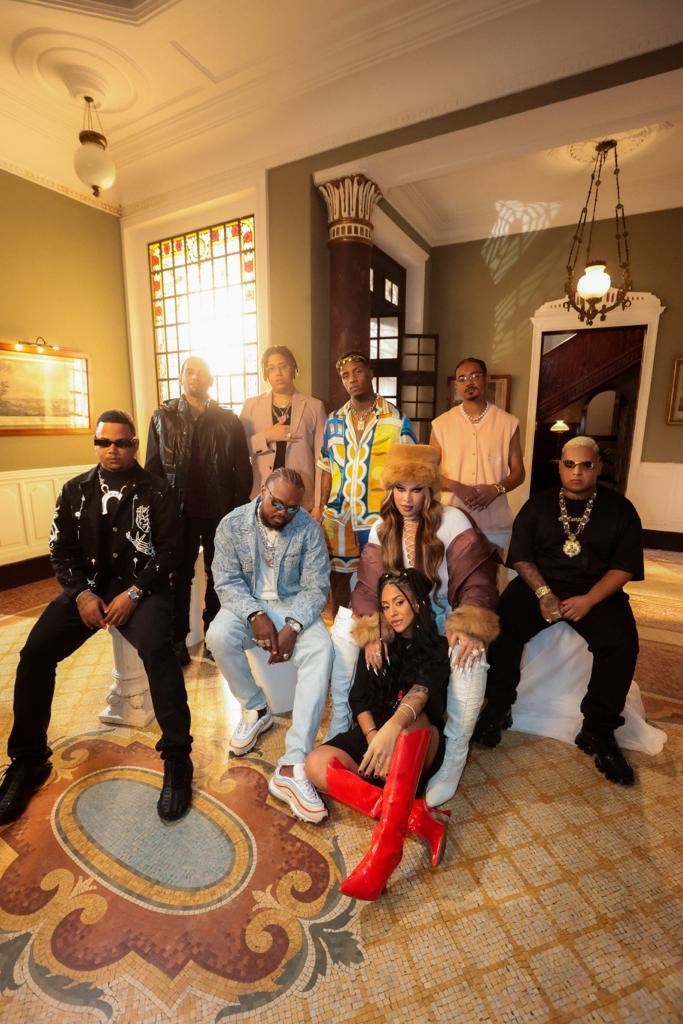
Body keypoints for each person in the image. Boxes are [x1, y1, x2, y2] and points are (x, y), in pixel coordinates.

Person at [0, 411, 193, 826]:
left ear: (135, 445)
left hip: (142, 588)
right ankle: (29, 759)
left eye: (121, 443)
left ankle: (178, 757)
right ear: (95, 445)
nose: (112, 450)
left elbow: (171, 551)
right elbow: (60, 549)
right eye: (103, 442)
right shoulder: (75, 490)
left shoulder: (158, 491)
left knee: (160, 650)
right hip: (88, 589)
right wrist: (81, 594)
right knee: (34, 654)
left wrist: (135, 593)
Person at [328, 443, 500, 808]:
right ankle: (343, 721)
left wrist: (469, 623)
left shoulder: (452, 520)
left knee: (470, 653)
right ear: (390, 489)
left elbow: (477, 580)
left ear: (431, 489)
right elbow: (367, 588)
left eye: (417, 489)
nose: (407, 499)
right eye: (399, 488)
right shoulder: (381, 528)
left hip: (441, 622)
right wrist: (372, 631)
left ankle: (454, 757)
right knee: (343, 627)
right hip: (398, 620)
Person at [473, 436, 643, 785]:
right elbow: (521, 557)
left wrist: (590, 600)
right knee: (502, 625)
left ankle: (598, 729)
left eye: (586, 465)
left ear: (598, 467)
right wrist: (544, 593)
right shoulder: (538, 505)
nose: (577, 471)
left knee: (622, 643)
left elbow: (624, 567)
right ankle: (498, 707)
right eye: (569, 464)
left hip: (596, 591)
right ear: (560, 467)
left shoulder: (620, 509)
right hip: (541, 587)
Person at [306, 570, 451, 901]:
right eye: (385, 606)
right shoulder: (377, 644)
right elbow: (358, 699)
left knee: (410, 728)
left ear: (417, 602)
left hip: (417, 743)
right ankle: (415, 816)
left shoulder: (437, 647)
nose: (392, 612)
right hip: (376, 737)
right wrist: (374, 738)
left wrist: (390, 733)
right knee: (315, 764)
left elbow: (419, 696)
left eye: (399, 602)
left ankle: (385, 853)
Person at [205, 468, 333, 823]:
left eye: (292, 507)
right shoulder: (232, 525)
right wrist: (254, 614)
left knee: (322, 650)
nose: (283, 513)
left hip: (293, 606)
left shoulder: (307, 528)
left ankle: (293, 763)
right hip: (247, 603)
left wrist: (293, 626)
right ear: (262, 490)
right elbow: (226, 581)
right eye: (277, 503)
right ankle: (256, 708)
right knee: (218, 636)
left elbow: (316, 586)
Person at [145, 355, 252, 665]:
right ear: (181, 378)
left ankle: (214, 638)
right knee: (178, 576)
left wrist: (235, 512)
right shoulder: (161, 418)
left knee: (219, 575)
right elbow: (153, 471)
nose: (194, 377)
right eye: (189, 372)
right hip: (177, 513)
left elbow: (242, 470)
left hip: (219, 512)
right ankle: (177, 639)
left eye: (200, 372)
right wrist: (158, 512)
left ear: (210, 380)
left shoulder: (228, 420)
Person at [318, 351, 416, 616]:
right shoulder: (334, 420)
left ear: (371, 372)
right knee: (337, 580)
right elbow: (326, 467)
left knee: (384, 579)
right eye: (345, 375)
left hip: (381, 518)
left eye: (358, 371)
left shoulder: (396, 420)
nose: (352, 379)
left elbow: (410, 472)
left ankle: (381, 633)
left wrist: (406, 514)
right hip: (338, 518)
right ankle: (341, 631)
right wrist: (320, 508)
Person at [430, 356, 525, 555]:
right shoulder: (441, 424)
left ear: (486, 378)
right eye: (462, 378)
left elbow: (518, 473)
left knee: (491, 574)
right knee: (450, 573)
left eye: (474, 376)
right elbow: (427, 472)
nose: (469, 382)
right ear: (456, 385)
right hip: (450, 518)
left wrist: (496, 489)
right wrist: (456, 486)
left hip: (494, 522)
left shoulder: (508, 423)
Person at [240, 345, 327, 515]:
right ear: (266, 374)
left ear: (294, 368)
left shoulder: (314, 406)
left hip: (301, 496)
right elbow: (240, 450)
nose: (278, 373)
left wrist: (318, 504)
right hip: (262, 494)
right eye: (271, 368)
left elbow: (322, 459)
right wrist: (267, 436)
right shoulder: (251, 406)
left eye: (283, 366)